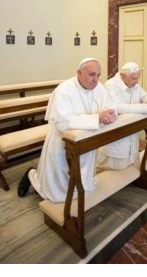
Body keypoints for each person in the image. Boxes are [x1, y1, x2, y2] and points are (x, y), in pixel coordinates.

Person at [17, 58, 117, 201]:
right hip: (63, 144)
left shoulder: (99, 87)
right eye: (91, 74)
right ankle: (31, 175)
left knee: (84, 180)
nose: (96, 80)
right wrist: (97, 118)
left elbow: (109, 104)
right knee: (56, 189)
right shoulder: (63, 91)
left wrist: (109, 113)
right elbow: (63, 123)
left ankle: (79, 191)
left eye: (98, 75)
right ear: (79, 73)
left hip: (87, 141)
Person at [96, 61, 147, 172]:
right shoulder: (110, 85)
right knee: (111, 171)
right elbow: (118, 107)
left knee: (131, 167)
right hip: (116, 132)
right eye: (134, 78)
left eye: (138, 78)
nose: (137, 81)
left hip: (132, 129)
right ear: (123, 76)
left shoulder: (134, 83)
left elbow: (144, 96)